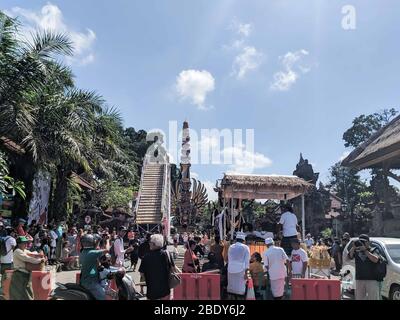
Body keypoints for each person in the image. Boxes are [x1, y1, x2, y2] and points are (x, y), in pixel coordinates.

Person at [347, 234, 381, 300]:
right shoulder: (357, 251)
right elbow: (349, 257)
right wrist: (353, 247)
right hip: (359, 279)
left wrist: (365, 250)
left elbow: (376, 260)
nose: (362, 243)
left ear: (368, 242)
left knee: (372, 298)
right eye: (360, 241)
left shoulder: (373, 250)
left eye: (364, 242)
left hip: (372, 279)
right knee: (359, 298)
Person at [139, 234, 172, 300]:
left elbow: (141, 273)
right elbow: (172, 269)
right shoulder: (166, 254)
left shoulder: (146, 257)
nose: (149, 244)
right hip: (165, 289)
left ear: (154, 244)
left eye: (150, 242)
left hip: (151, 290)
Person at [79, 234, 108, 300]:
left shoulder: (83, 252)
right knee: (105, 297)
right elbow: (106, 251)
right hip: (91, 283)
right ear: (92, 242)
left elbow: (94, 263)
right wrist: (97, 246)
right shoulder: (92, 253)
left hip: (86, 280)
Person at [227, 232, 250, 298]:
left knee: (232, 289)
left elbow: (229, 259)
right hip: (240, 270)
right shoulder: (245, 248)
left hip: (230, 269)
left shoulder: (231, 247)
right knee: (240, 291)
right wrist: (247, 275)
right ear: (244, 240)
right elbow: (247, 263)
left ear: (236, 239)